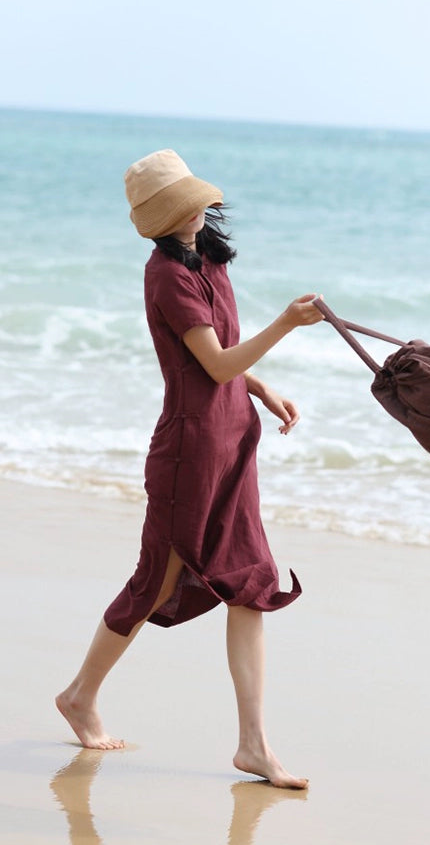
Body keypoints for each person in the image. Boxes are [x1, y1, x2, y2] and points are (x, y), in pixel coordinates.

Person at [56, 149, 323, 789]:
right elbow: (215, 366)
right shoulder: (167, 277)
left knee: (252, 584)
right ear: (169, 213)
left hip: (233, 445)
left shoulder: (206, 258)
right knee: (157, 579)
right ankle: (79, 695)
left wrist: (259, 388)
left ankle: (254, 744)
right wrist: (286, 323)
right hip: (190, 453)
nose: (204, 206)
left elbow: (227, 359)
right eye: (191, 201)